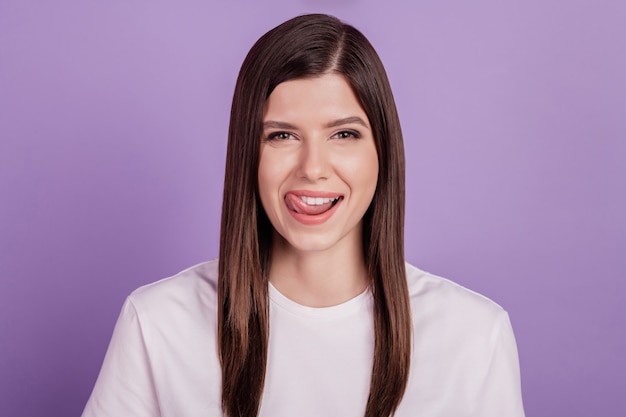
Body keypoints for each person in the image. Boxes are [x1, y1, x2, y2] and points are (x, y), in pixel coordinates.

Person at [82, 13, 525, 417]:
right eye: (282, 135)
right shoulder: (157, 324)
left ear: (382, 153)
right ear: (247, 154)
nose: (313, 168)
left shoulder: (474, 336)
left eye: (344, 134)